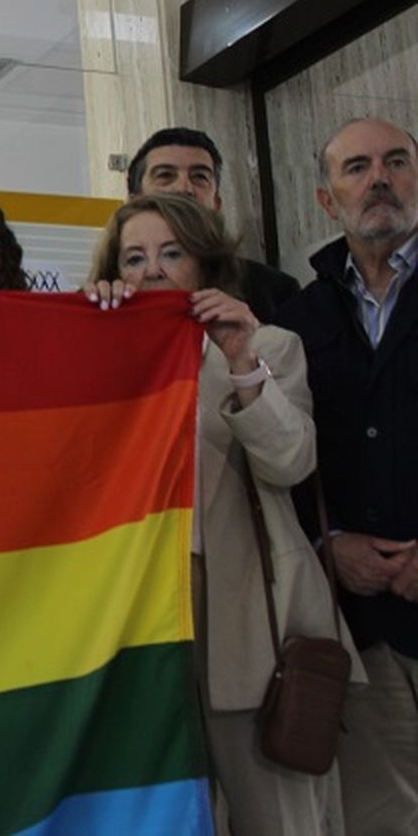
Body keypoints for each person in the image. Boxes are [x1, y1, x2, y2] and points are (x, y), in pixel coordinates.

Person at [89, 194, 349, 836]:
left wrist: (240, 363)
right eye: (134, 258)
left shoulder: (269, 344)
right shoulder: (100, 356)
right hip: (139, 611)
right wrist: (92, 336)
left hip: (252, 611)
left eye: (171, 253)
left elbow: (292, 462)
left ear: (205, 263)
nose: (152, 270)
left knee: (278, 815)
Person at [275, 117, 418, 833]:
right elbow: (283, 464)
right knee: (386, 818)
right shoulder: (296, 318)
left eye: (396, 161)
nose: (379, 179)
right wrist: (327, 545)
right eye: (357, 167)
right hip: (363, 630)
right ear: (327, 199)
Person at [127, 127, 299, 321]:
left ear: (217, 203)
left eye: (199, 177)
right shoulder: (107, 294)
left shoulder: (275, 292)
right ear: (135, 202)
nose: (185, 188)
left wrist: (257, 335)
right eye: (165, 175)